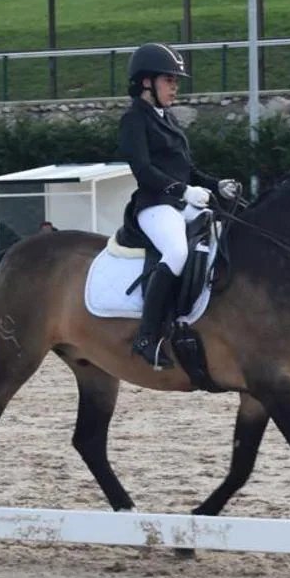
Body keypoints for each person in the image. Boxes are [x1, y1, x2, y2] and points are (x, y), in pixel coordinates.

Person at [118, 42, 241, 370]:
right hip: (155, 205)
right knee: (176, 253)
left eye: (176, 80)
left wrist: (217, 185)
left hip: (178, 201)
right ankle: (146, 337)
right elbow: (143, 171)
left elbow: (187, 169)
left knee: (224, 235)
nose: (175, 86)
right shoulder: (134, 119)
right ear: (147, 82)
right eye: (168, 79)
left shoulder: (166, 118)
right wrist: (183, 191)